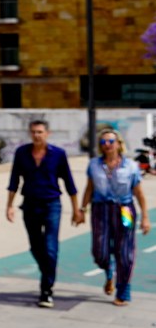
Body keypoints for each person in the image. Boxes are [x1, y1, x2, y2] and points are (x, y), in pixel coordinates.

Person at [6, 119, 78, 308]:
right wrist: (9, 205)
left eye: (40, 132)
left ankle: (46, 290)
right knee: (36, 247)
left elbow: (69, 184)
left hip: (52, 204)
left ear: (48, 133)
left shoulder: (58, 155)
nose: (36, 135)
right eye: (33, 132)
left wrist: (76, 210)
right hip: (30, 205)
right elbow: (14, 180)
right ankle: (47, 271)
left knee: (50, 247)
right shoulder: (22, 153)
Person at [73, 129, 150, 306]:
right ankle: (109, 270)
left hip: (125, 210)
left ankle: (123, 291)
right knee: (99, 251)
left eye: (110, 141)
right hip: (100, 210)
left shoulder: (130, 166)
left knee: (125, 252)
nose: (107, 145)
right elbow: (89, 188)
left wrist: (145, 217)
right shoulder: (94, 164)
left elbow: (139, 193)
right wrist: (82, 210)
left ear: (118, 143)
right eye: (103, 142)